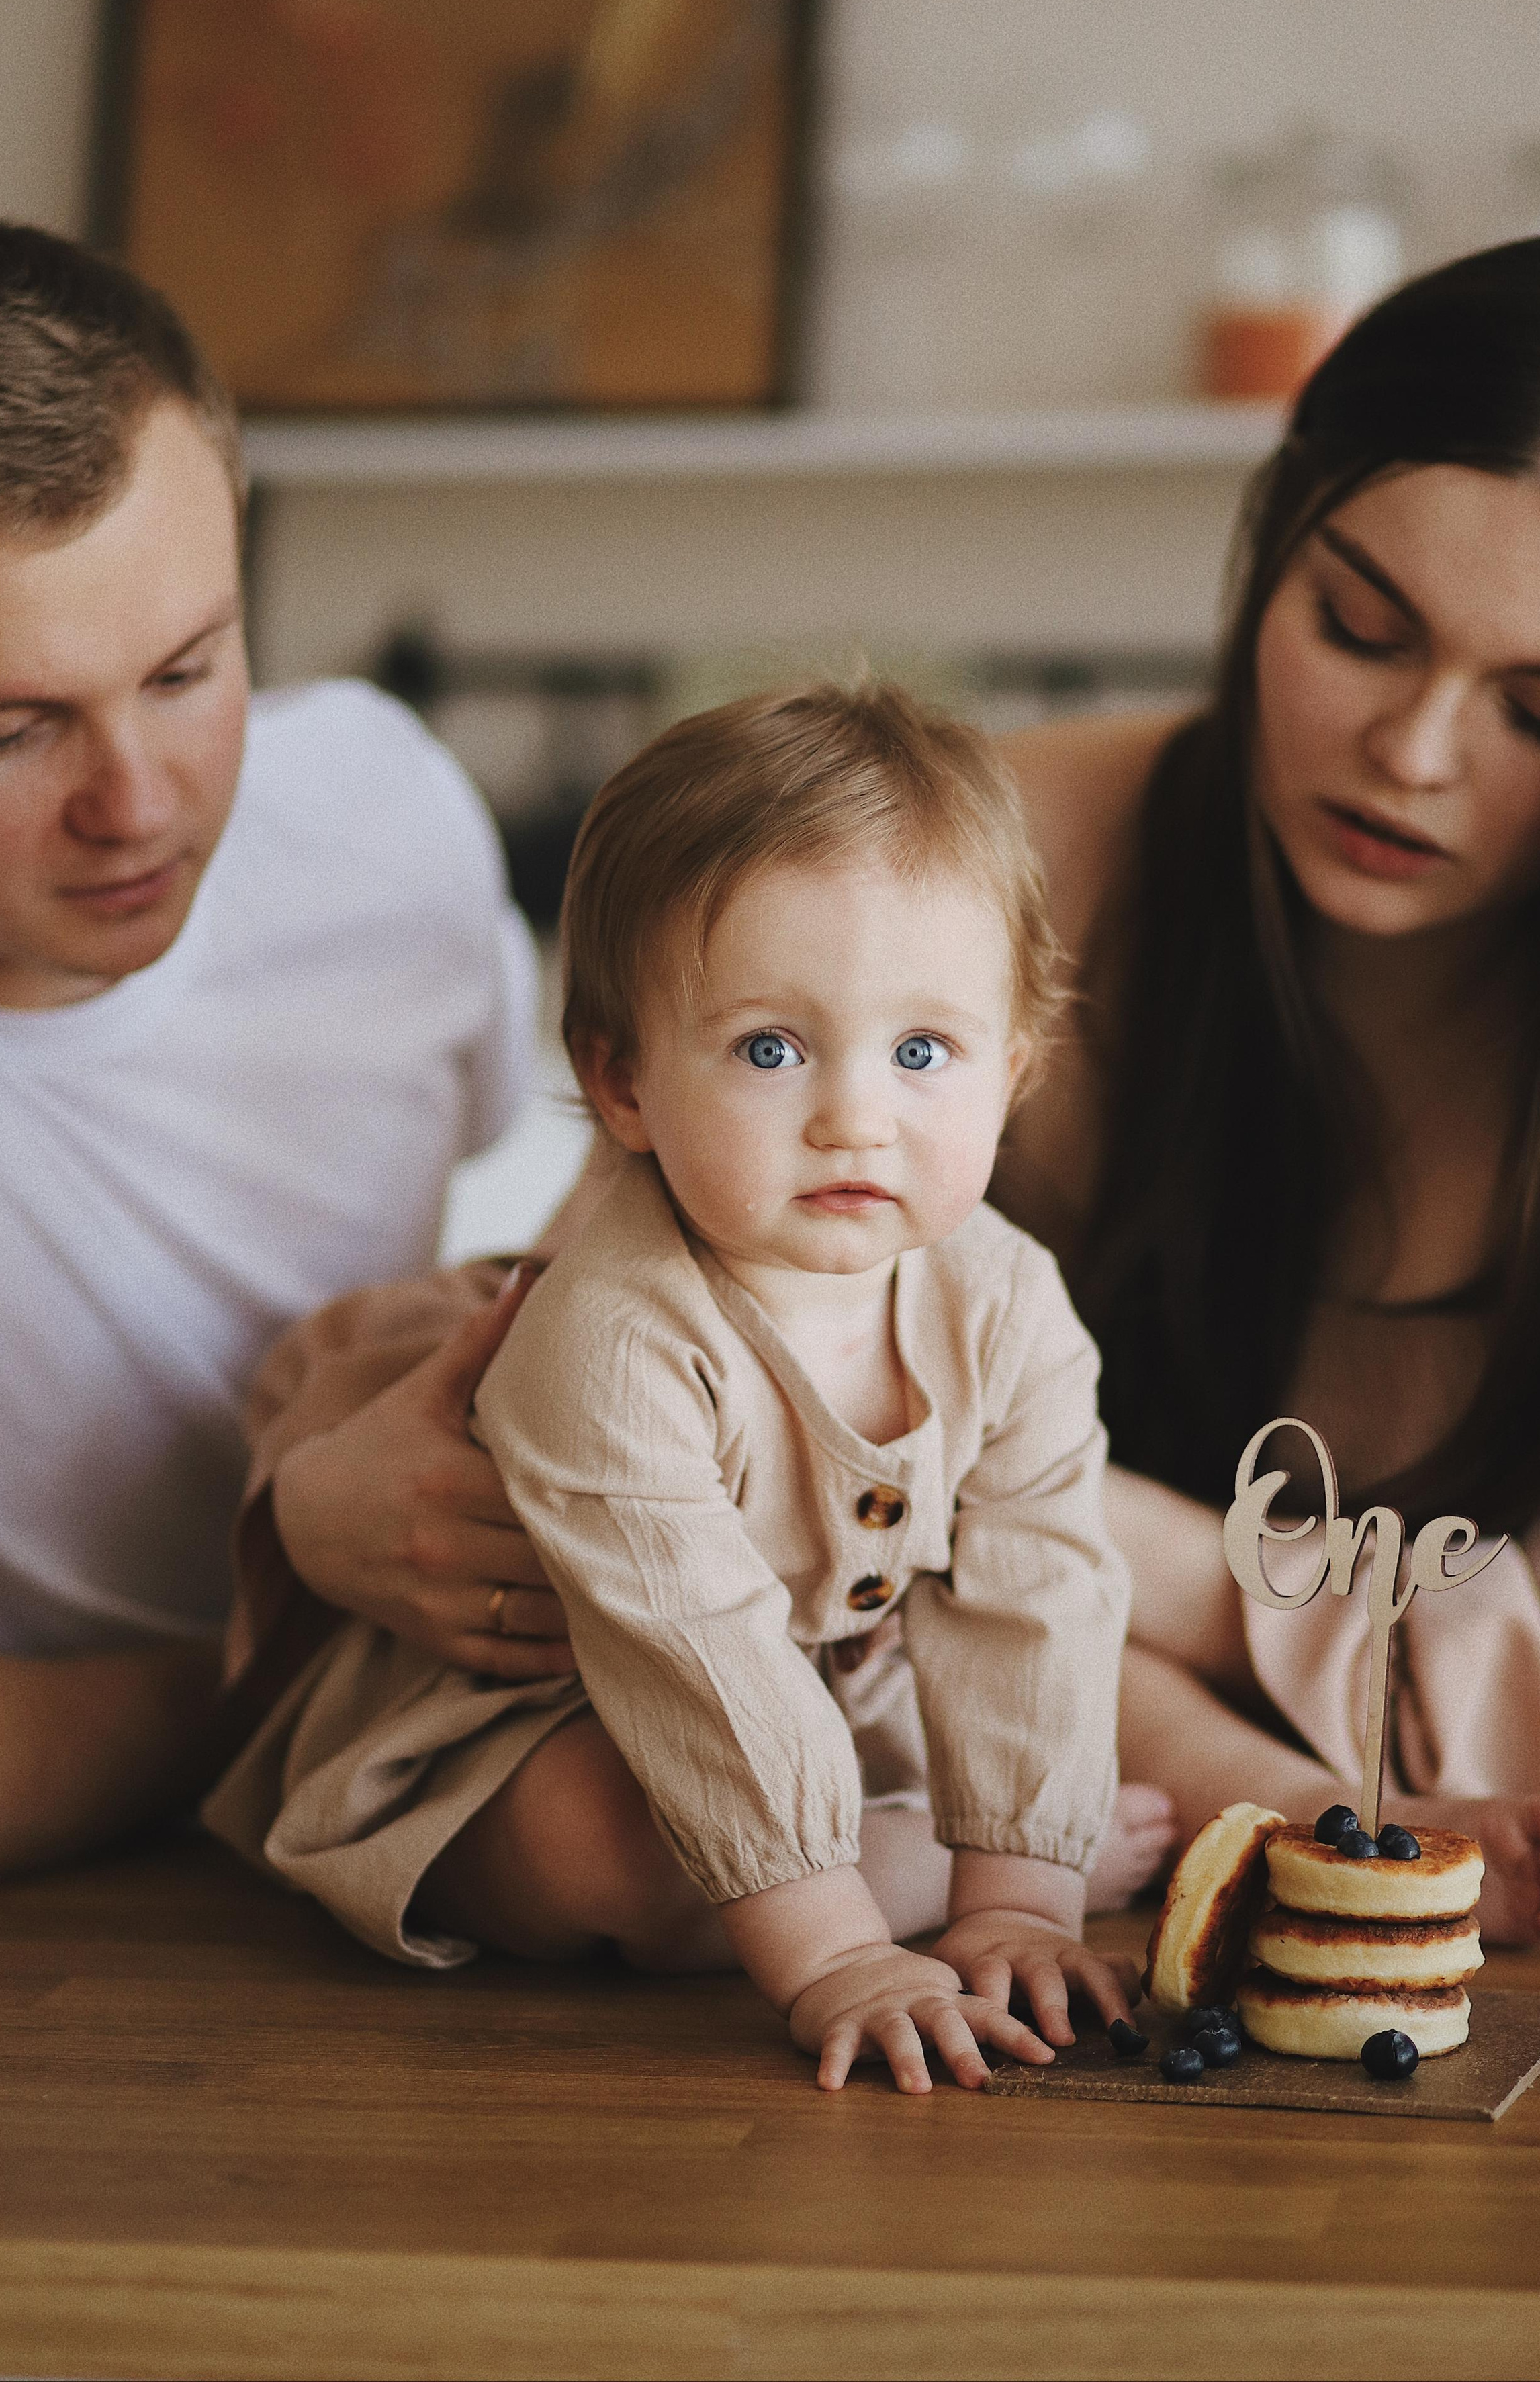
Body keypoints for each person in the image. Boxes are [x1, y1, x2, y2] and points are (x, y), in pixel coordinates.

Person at [206, 683, 1141, 2091]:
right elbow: (692, 1655)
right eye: (770, 1048)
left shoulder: (1005, 1303)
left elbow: (1037, 1592)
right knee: (593, 1839)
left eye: (921, 1051)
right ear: (625, 1082)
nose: (853, 1114)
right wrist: (837, 1951)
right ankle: (895, 1868)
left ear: (1010, 1073)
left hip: (820, 1687)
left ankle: (963, 1856)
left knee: (1056, 1690)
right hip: (543, 1703)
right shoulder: (615, 1333)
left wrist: (1023, 1899)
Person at [992, 232, 1540, 1947]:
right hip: (1007, 1899)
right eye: (1358, 627)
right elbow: (647, 1332)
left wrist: (1166, 1561)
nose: (1413, 755)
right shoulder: (1004, 862)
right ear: (1268, 547)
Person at [0, 216, 547, 1886]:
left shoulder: (382, 809)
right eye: (4, 730)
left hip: (462, 1729)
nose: (140, 801)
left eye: (189, 671)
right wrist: (294, 1594)